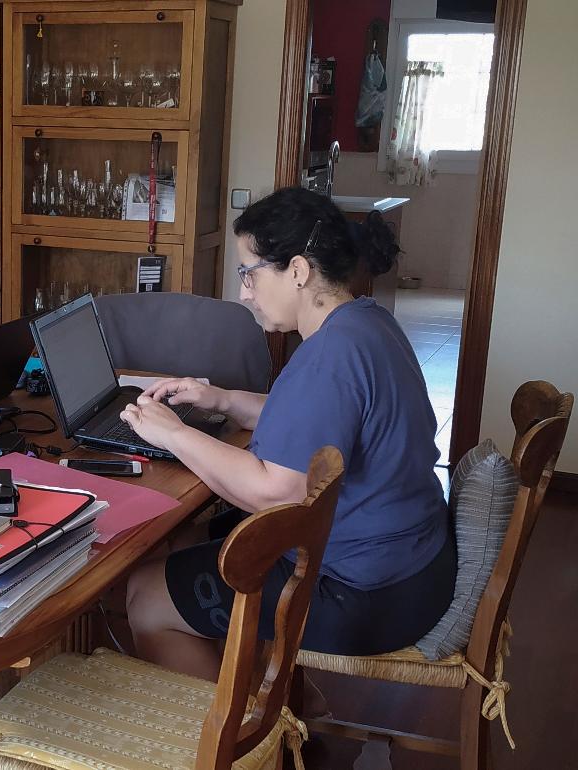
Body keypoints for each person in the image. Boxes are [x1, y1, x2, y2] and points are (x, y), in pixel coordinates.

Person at [120, 187, 455, 683]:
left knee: (146, 597)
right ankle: (287, 698)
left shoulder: (328, 357)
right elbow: (320, 426)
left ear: (297, 271)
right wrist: (226, 400)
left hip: (363, 595)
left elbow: (275, 492)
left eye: (249, 273)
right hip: (413, 569)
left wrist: (172, 434)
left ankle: (238, 741)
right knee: (190, 540)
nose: (244, 293)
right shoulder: (366, 324)